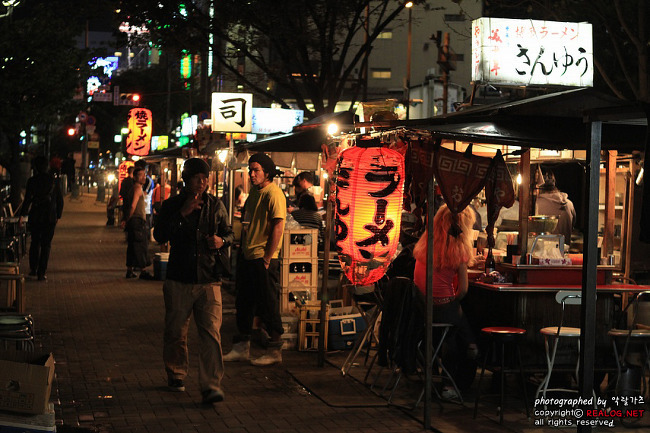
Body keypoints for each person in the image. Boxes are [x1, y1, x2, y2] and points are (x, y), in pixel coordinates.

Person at [153, 158, 233, 404]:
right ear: (186, 180)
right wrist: (182, 214)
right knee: (176, 332)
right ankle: (176, 374)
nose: (202, 182)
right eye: (197, 178)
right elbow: (159, 235)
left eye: (205, 178)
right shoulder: (172, 205)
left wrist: (222, 241)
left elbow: (229, 232)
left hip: (209, 279)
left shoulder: (215, 204)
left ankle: (211, 385)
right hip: (179, 278)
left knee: (211, 334)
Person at [223, 153, 286, 366]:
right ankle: (242, 347)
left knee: (267, 303)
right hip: (249, 255)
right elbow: (249, 222)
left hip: (263, 257)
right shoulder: (254, 194)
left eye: (256, 170)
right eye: (250, 170)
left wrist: (268, 257)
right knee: (244, 302)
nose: (251, 174)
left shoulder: (274, 193)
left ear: (267, 172)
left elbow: (278, 226)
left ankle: (275, 350)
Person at [412, 204, 478, 396]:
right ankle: (453, 384)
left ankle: (445, 375)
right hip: (442, 311)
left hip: (421, 308)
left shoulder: (426, 244)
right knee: (463, 331)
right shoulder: (459, 250)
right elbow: (463, 290)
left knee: (458, 328)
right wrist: (453, 299)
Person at [19, 156, 64, 281]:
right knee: (46, 245)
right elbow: (60, 200)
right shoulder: (54, 181)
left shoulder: (32, 181)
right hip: (50, 217)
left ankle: (33, 268)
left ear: (36, 167)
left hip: (36, 215)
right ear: (47, 166)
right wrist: (58, 215)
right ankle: (41, 272)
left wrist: (22, 216)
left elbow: (27, 200)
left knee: (35, 242)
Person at [123, 167, 154, 280]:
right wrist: (128, 219)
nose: (144, 177)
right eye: (141, 175)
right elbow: (133, 205)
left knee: (132, 246)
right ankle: (143, 271)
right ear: (135, 177)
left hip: (133, 221)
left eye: (144, 174)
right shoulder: (137, 188)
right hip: (137, 221)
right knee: (141, 246)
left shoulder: (136, 188)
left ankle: (129, 270)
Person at [535, 171, 576, 247]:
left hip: (542, 254)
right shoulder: (569, 204)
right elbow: (572, 226)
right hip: (563, 253)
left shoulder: (536, 204)